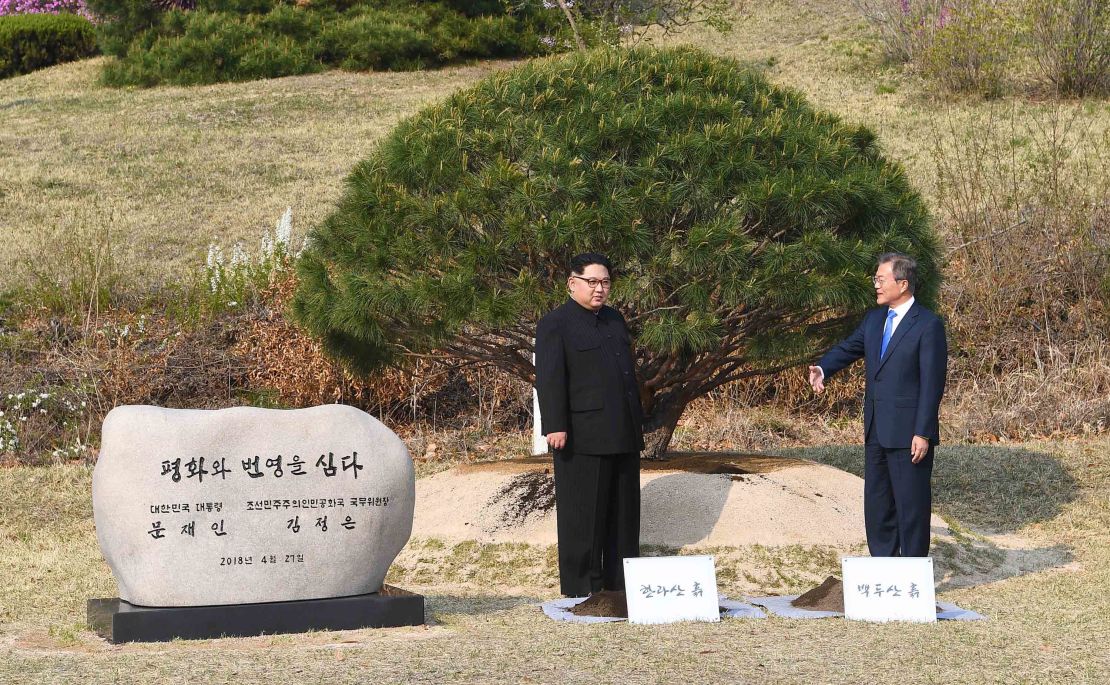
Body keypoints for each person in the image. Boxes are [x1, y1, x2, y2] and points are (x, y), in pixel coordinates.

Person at [808, 252, 947, 558]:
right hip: (875, 430)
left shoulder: (927, 325)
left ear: (904, 283)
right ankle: (884, 570)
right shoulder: (874, 320)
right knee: (878, 504)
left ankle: (911, 576)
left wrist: (923, 432)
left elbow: (932, 384)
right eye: (876, 279)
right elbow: (849, 348)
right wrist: (823, 368)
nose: (876, 286)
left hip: (910, 434)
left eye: (881, 279)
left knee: (911, 507)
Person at [534, 252, 643, 597]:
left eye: (606, 282)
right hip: (580, 434)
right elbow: (550, 378)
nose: (600, 289)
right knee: (583, 514)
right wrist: (555, 425)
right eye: (592, 282)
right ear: (572, 283)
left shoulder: (614, 320)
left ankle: (621, 585)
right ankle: (582, 586)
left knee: (623, 514)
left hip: (622, 430)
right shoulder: (556, 323)